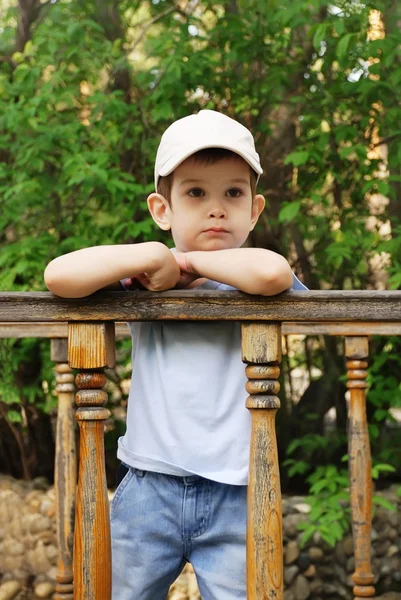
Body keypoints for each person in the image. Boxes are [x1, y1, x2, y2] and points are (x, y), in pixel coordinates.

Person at [44, 110, 307, 600]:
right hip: (150, 486)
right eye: (195, 193)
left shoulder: (252, 278)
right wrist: (152, 255)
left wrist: (185, 261)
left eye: (233, 193)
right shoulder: (145, 277)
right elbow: (59, 276)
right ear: (162, 210)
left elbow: (273, 273)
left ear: (255, 210)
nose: (216, 209)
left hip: (239, 491)